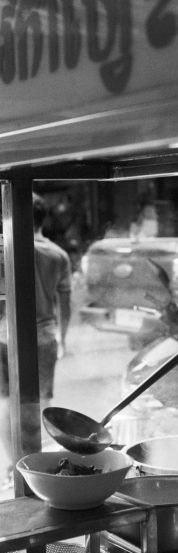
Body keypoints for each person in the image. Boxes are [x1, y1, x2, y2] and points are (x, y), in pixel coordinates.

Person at [0, 192, 72, 486]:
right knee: (39, 403)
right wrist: (64, 338)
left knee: (6, 400)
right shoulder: (57, 255)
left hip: (3, 335)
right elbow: (64, 304)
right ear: (42, 218)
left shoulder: (6, 250)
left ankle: (11, 467)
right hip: (43, 337)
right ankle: (34, 468)